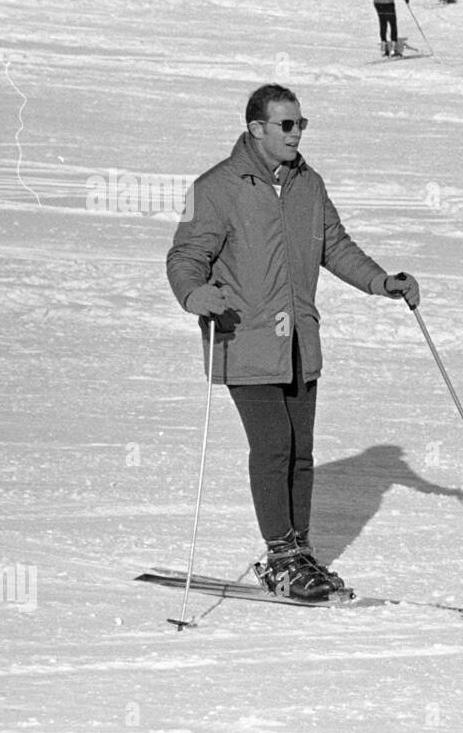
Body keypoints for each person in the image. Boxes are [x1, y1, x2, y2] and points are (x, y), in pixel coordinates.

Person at [166, 84, 420, 601]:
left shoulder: (309, 184)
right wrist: (193, 294)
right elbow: (185, 256)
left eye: (302, 123)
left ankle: (300, 552)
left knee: (300, 452)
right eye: (287, 125)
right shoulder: (216, 187)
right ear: (256, 128)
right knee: (273, 445)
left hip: (300, 339)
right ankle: (280, 556)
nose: (297, 133)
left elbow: (335, 246)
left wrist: (380, 282)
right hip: (244, 336)